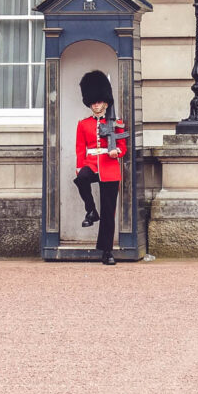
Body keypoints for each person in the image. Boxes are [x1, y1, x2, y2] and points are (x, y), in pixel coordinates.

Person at [73, 70, 127, 266]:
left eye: (99, 101)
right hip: (90, 163)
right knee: (81, 179)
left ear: (105, 103)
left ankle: (107, 251)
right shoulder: (83, 124)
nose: (96, 105)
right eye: (93, 102)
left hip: (109, 166)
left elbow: (123, 148)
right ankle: (90, 210)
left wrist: (116, 153)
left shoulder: (116, 123)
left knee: (109, 212)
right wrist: (80, 167)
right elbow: (80, 149)